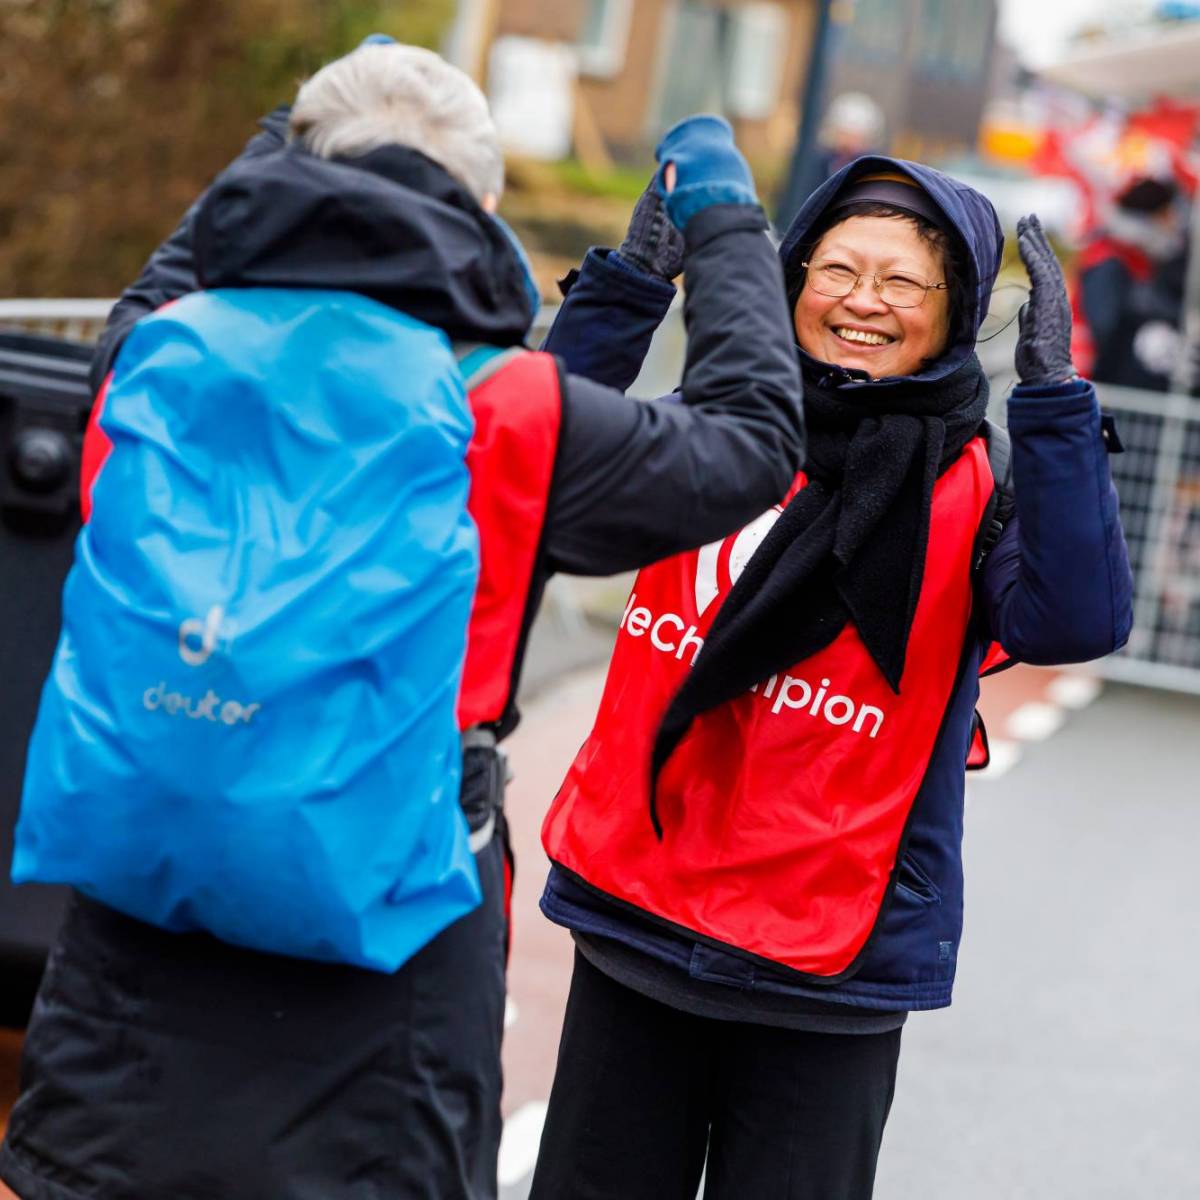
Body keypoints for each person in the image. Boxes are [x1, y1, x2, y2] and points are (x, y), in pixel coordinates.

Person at [0, 44, 804, 1200]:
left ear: (292, 170)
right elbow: (752, 440)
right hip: (387, 965)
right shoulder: (504, 411)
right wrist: (723, 221)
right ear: (482, 204)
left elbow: (174, 271)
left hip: (136, 936)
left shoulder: (153, 358)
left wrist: (293, 129)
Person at [530, 159, 1134, 1199]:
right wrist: (625, 293)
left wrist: (1055, 406)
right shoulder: (716, 427)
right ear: (794, 277)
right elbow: (535, 467)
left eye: (902, 282)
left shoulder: (983, 488)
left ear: (956, 313)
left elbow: (1076, 619)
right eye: (839, 270)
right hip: (640, 909)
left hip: (832, 970)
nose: (864, 301)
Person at [1072, 175, 1192, 393]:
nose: (1174, 224)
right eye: (1168, 215)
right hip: (1094, 382)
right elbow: (1104, 329)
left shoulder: (1136, 259)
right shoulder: (1108, 260)